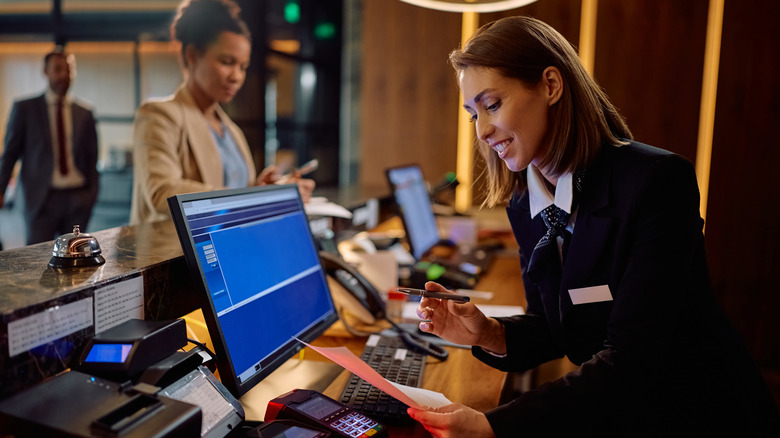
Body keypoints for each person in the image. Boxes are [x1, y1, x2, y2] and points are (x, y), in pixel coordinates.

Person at [406, 16, 780, 437]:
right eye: (473, 114)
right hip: (616, 411)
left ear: (550, 85)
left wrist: (496, 425)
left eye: (492, 104)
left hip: (696, 413)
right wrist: (488, 333)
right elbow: (558, 326)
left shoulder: (656, 182)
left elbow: (631, 357)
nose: (484, 130)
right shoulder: (525, 200)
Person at [130, 0, 314, 224]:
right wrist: (261, 198)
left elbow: (234, 196)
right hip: (175, 255)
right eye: (227, 62)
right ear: (192, 55)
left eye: (243, 67)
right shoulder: (159, 115)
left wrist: (259, 189)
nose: (236, 76)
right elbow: (162, 193)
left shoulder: (232, 130)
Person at [0, 49, 99, 245]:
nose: (65, 75)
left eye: (69, 69)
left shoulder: (84, 113)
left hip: (77, 200)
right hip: (40, 200)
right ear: (46, 71)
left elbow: (92, 159)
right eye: (58, 69)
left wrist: (90, 196)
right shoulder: (25, 109)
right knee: (38, 263)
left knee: (76, 263)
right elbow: (10, 153)